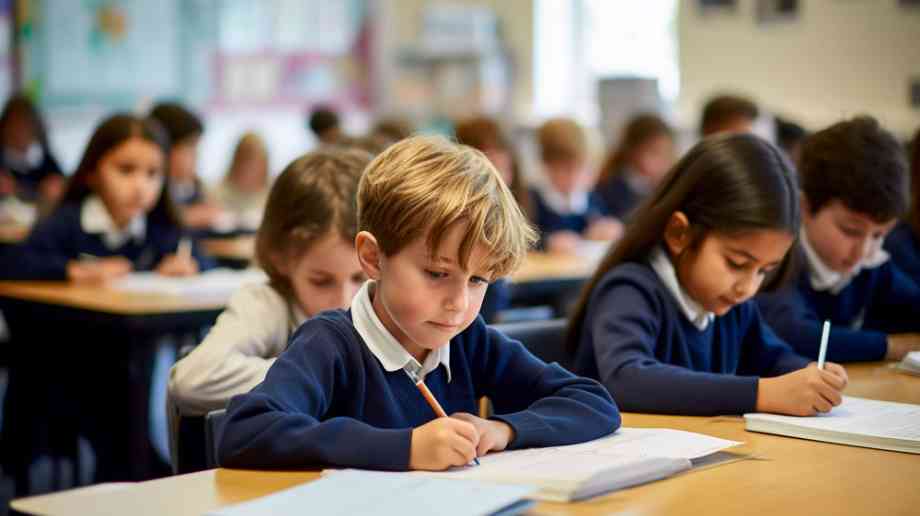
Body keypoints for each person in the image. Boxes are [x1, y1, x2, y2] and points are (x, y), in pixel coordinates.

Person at [217, 135, 620, 471]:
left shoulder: (465, 340)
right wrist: (406, 448)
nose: (458, 303)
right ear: (374, 258)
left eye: (477, 279)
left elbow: (592, 402)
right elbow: (246, 431)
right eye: (437, 274)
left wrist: (501, 431)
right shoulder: (331, 344)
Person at [569, 133, 847, 416]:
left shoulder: (731, 305)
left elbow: (774, 358)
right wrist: (761, 394)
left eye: (764, 270)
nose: (748, 287)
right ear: (679, 233)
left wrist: (811, 373)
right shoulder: (629, 290)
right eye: (736, 263)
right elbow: (626, 379)